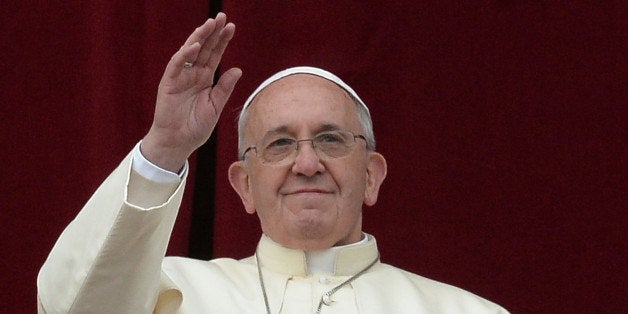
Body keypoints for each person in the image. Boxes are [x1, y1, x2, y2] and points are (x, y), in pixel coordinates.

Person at [37, 13, 508, 313]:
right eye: (280, 145)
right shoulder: (168, 294)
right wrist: (164, 147)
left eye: (330, 139)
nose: (307, 163)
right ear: (243, 185)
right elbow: (72, 306)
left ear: (371, 175)